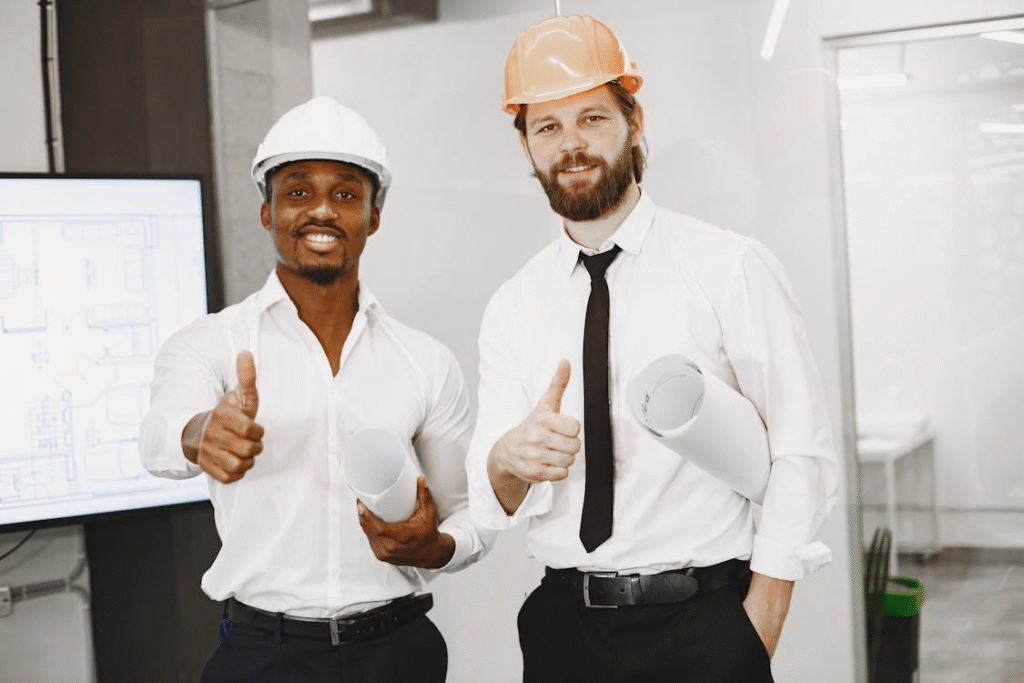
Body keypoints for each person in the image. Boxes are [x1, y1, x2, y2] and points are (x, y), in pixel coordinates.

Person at [466, 14, 839, 683]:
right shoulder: (513, 304)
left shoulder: (727, 266)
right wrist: (510, 454)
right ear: (525, 146)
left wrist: (761, 620)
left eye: (592, 118)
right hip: (563, 629)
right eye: (547, 126)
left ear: (634, 123)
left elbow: (800, 448)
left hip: (703, 623)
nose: (571, 144)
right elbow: (492, 493)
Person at [140, 96, 492, 683]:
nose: (322, 210)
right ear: (267, 212)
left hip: (398, 652)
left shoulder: (425, 360)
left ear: (373, 216)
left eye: (346, 193)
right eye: (298, 192)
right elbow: (157, 435)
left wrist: (433, 548)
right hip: (261, 657)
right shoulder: (209, 343)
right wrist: (200, 432)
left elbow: (468, 513)